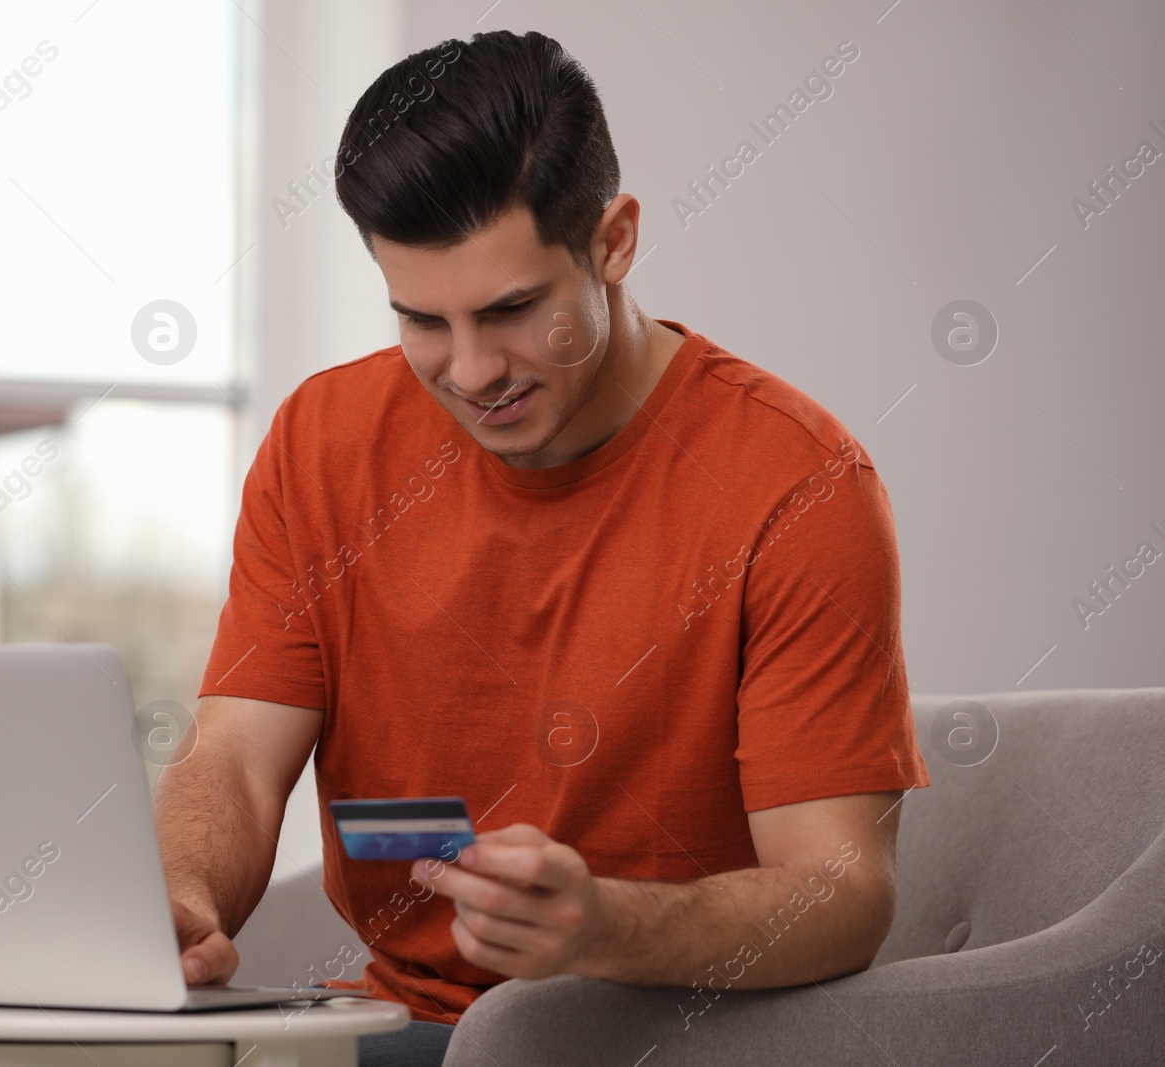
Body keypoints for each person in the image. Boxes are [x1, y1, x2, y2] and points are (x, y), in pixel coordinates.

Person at [153, 28, 930, 1067]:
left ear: (612, 241)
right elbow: (237, 763)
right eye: (421, 320)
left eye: (512, 310)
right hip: (397, 1031)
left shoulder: (797, 483)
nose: (471, 371)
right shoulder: (321, 443)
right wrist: (175, 896)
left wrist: (604, 925)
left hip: (663, 1035)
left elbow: (841, 891)